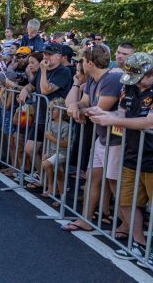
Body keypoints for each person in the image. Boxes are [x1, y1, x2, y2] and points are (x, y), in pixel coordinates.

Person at [88, 52, 153, 268]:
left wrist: (112, 119)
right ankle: (138, 243)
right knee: (126, 200)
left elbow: (152, 122)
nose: (136, 83)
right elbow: (123, 113)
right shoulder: (130, 84)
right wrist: (103, 113)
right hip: (133, 152)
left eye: (140, 78)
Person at [63, 44, 125, 234]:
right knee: (92, 177)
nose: (80, 64)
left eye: (82, 61)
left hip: (117, 138)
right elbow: (84, 102)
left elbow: (101, 108)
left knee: (115, 184)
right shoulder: (91, 80)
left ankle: (130, 226)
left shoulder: (112, 79)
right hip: (102, 137)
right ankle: (85, 219)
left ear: (90, 62)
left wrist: (78, 109)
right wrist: (76, 105)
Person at [18, 43, 72, 176]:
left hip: (56, 119)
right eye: (45, 53)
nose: (46, 57)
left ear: (59, 56)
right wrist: (25, 90)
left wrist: (42, 71)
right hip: (40, 116)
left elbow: (45, 90)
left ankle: (52, 184)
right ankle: (41, 176)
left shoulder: (63, 72)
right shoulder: (44, 70)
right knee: (30, 149)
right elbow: (32, 86)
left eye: (49, 54)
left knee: (51, 155)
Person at [40, 98, 70, 201]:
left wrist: (52, 137)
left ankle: (59, 195)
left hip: (61, 153)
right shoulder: (50, 123)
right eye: (50, 109)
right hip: (52, 152)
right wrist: (46, 152)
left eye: (53, 110)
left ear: (61, 111)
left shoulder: (66, 126)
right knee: (58, 173)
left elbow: (66, 144)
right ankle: (53, 190)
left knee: (49, 167)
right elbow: (48, 141)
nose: (50, 112)